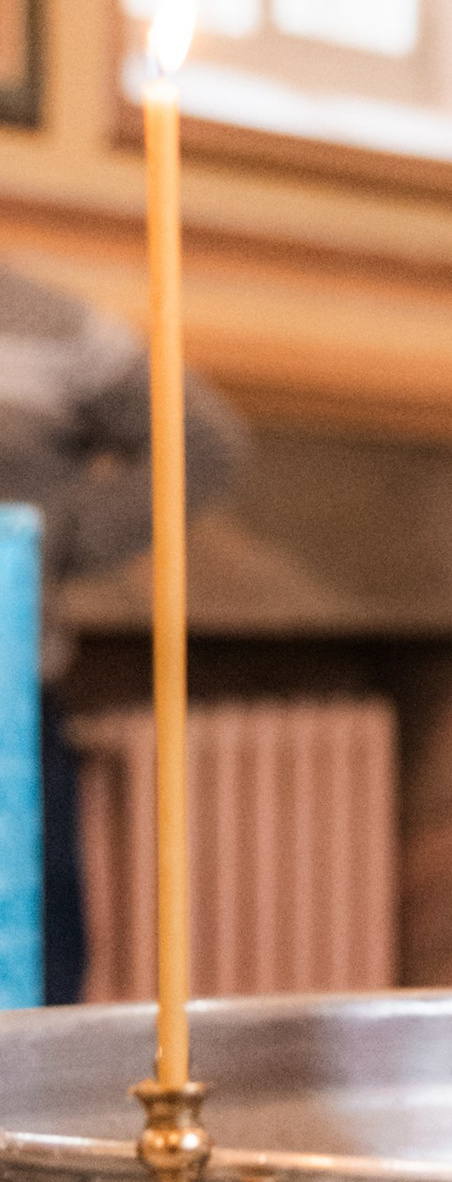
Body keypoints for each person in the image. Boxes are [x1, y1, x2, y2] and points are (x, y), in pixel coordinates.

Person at [0, 264, 244, 1001]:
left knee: (33, 976)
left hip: (9, 699)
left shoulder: (50, 324)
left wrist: (56, 541)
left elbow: (202, 440)